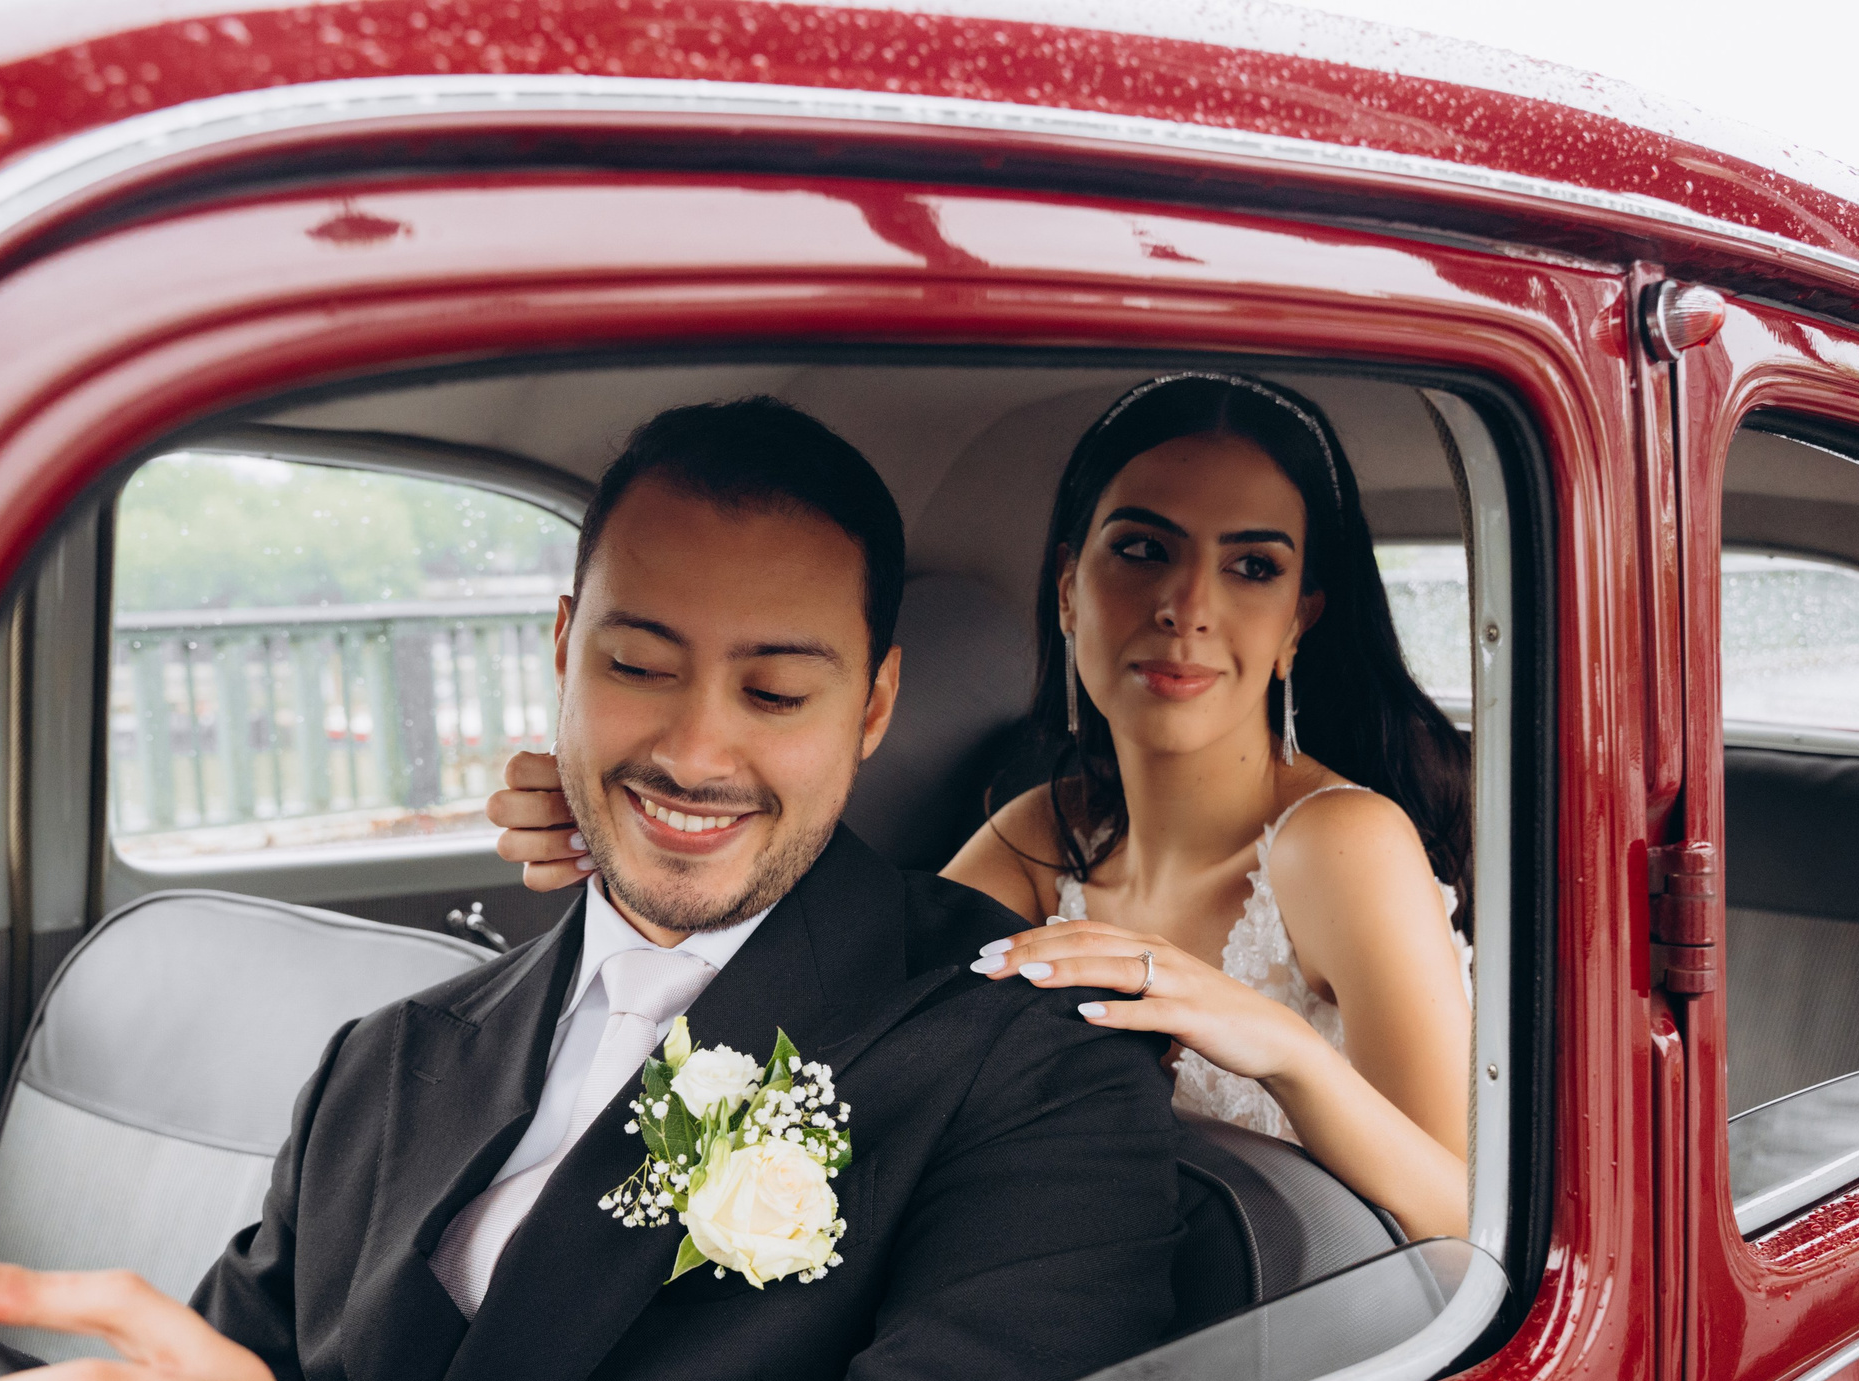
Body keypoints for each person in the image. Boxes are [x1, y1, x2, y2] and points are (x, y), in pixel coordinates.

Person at [0, 397, 1184, 1381]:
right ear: (563, 649)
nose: (695, 749)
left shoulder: (1036, 1056)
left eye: (775, 692)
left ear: (872, 707)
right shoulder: (386, 1057)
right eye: (637, 661)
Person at [495, 374, 1473, 1241]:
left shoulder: (1341, 846)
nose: (1188, 604)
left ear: (1298, 619)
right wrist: (646, 830)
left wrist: (1289, 1055)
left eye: (1251, 566)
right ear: (1067, 587)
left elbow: (1468, 1212)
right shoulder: (1044, 833)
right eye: (1141, 549)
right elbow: (843, 984)